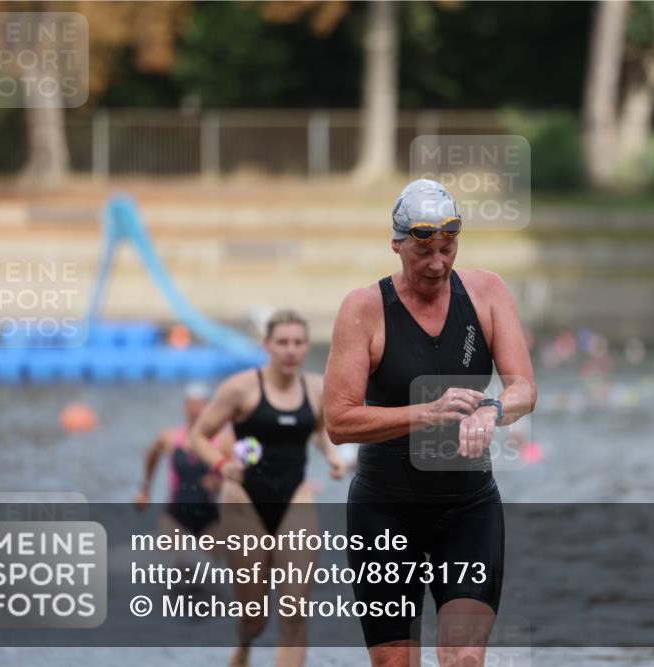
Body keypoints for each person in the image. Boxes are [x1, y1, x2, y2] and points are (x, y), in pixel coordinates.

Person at [323, 179, 537, 667]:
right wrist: (428, 413)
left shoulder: (486, 293)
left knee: (463, 659)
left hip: (468, 510)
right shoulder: (364, 309)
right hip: (385, 515)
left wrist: (493, 409)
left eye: (448, 248)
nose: (438, 263)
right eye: (424, 252)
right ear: (397, 245)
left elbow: (524, 388)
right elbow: (338, 420)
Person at [189, 309, 347, 667]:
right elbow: (198, 437)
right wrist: (221, 464)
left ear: (307, 346)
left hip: (295, 498)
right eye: (283, 343)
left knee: (294, 610)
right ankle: (245, 642)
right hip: (244, 503)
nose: (291, 350)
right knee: (255, 617)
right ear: (267, 345)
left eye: (298, 343)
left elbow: (320, 430)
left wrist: (332, 456)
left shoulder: (316, 387)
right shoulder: (240, 388)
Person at [135, 381, 230, 537]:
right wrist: (145, 490)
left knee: (211, 560)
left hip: (209, 517)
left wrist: (219, 485)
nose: (195, 410)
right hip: (175, 514)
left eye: (199, 405)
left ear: (208, 408)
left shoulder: (222, 441)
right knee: (171, 559)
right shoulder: (169, 437)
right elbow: (151, 455)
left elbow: (236, 475)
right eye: (191, 405)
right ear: (185, 407)